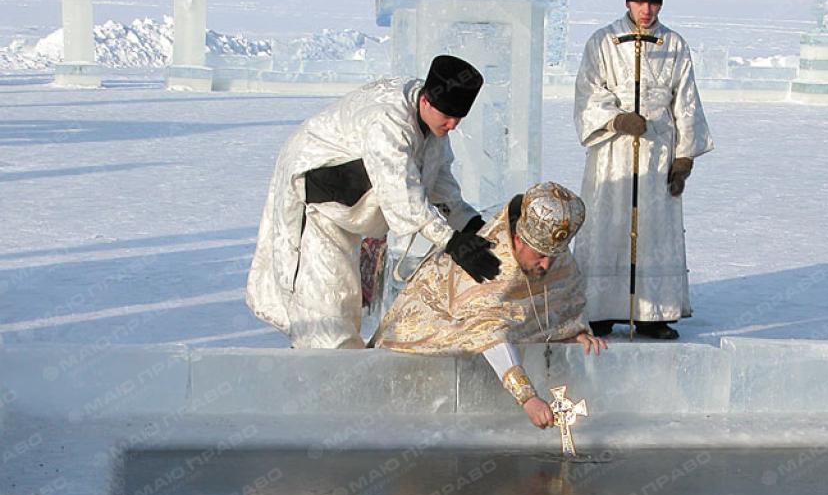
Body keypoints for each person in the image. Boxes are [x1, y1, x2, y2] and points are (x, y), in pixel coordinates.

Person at [246, 55, 500, 349]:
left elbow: (438, 184)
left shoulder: (434, 123)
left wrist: (471, 225)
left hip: (351, 206)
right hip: (317, 199)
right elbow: (401, 193)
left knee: (347, 302)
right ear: (426, 101)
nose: (453, 125)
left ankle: (339, 368)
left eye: (459, 118)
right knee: (327, 312)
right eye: (448, 116)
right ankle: (321, 371)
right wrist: (451, 241)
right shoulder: (388, 123)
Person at [373, 182, 607, 429]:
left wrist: (571, 331)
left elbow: (565, 294)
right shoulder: (487, 263)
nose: (547, 265)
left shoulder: (548, 246)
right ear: (518, 240)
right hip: (426, 356)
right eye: (540, 255)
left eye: (553, 255)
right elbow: (487, 332)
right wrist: (528, 397)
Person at [573, 0, 714, 340]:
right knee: (608, 224)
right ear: (628, 1)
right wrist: (617, 119)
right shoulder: (603, 42)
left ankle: (653, 313)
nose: (646, 10)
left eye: (653, 3)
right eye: (640, 2)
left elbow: (686, 103)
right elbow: (587, 93)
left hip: (657, 150)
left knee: (654, 229)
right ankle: (601, 308)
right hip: (613, 151)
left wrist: (684, 157)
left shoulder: (674, 45)